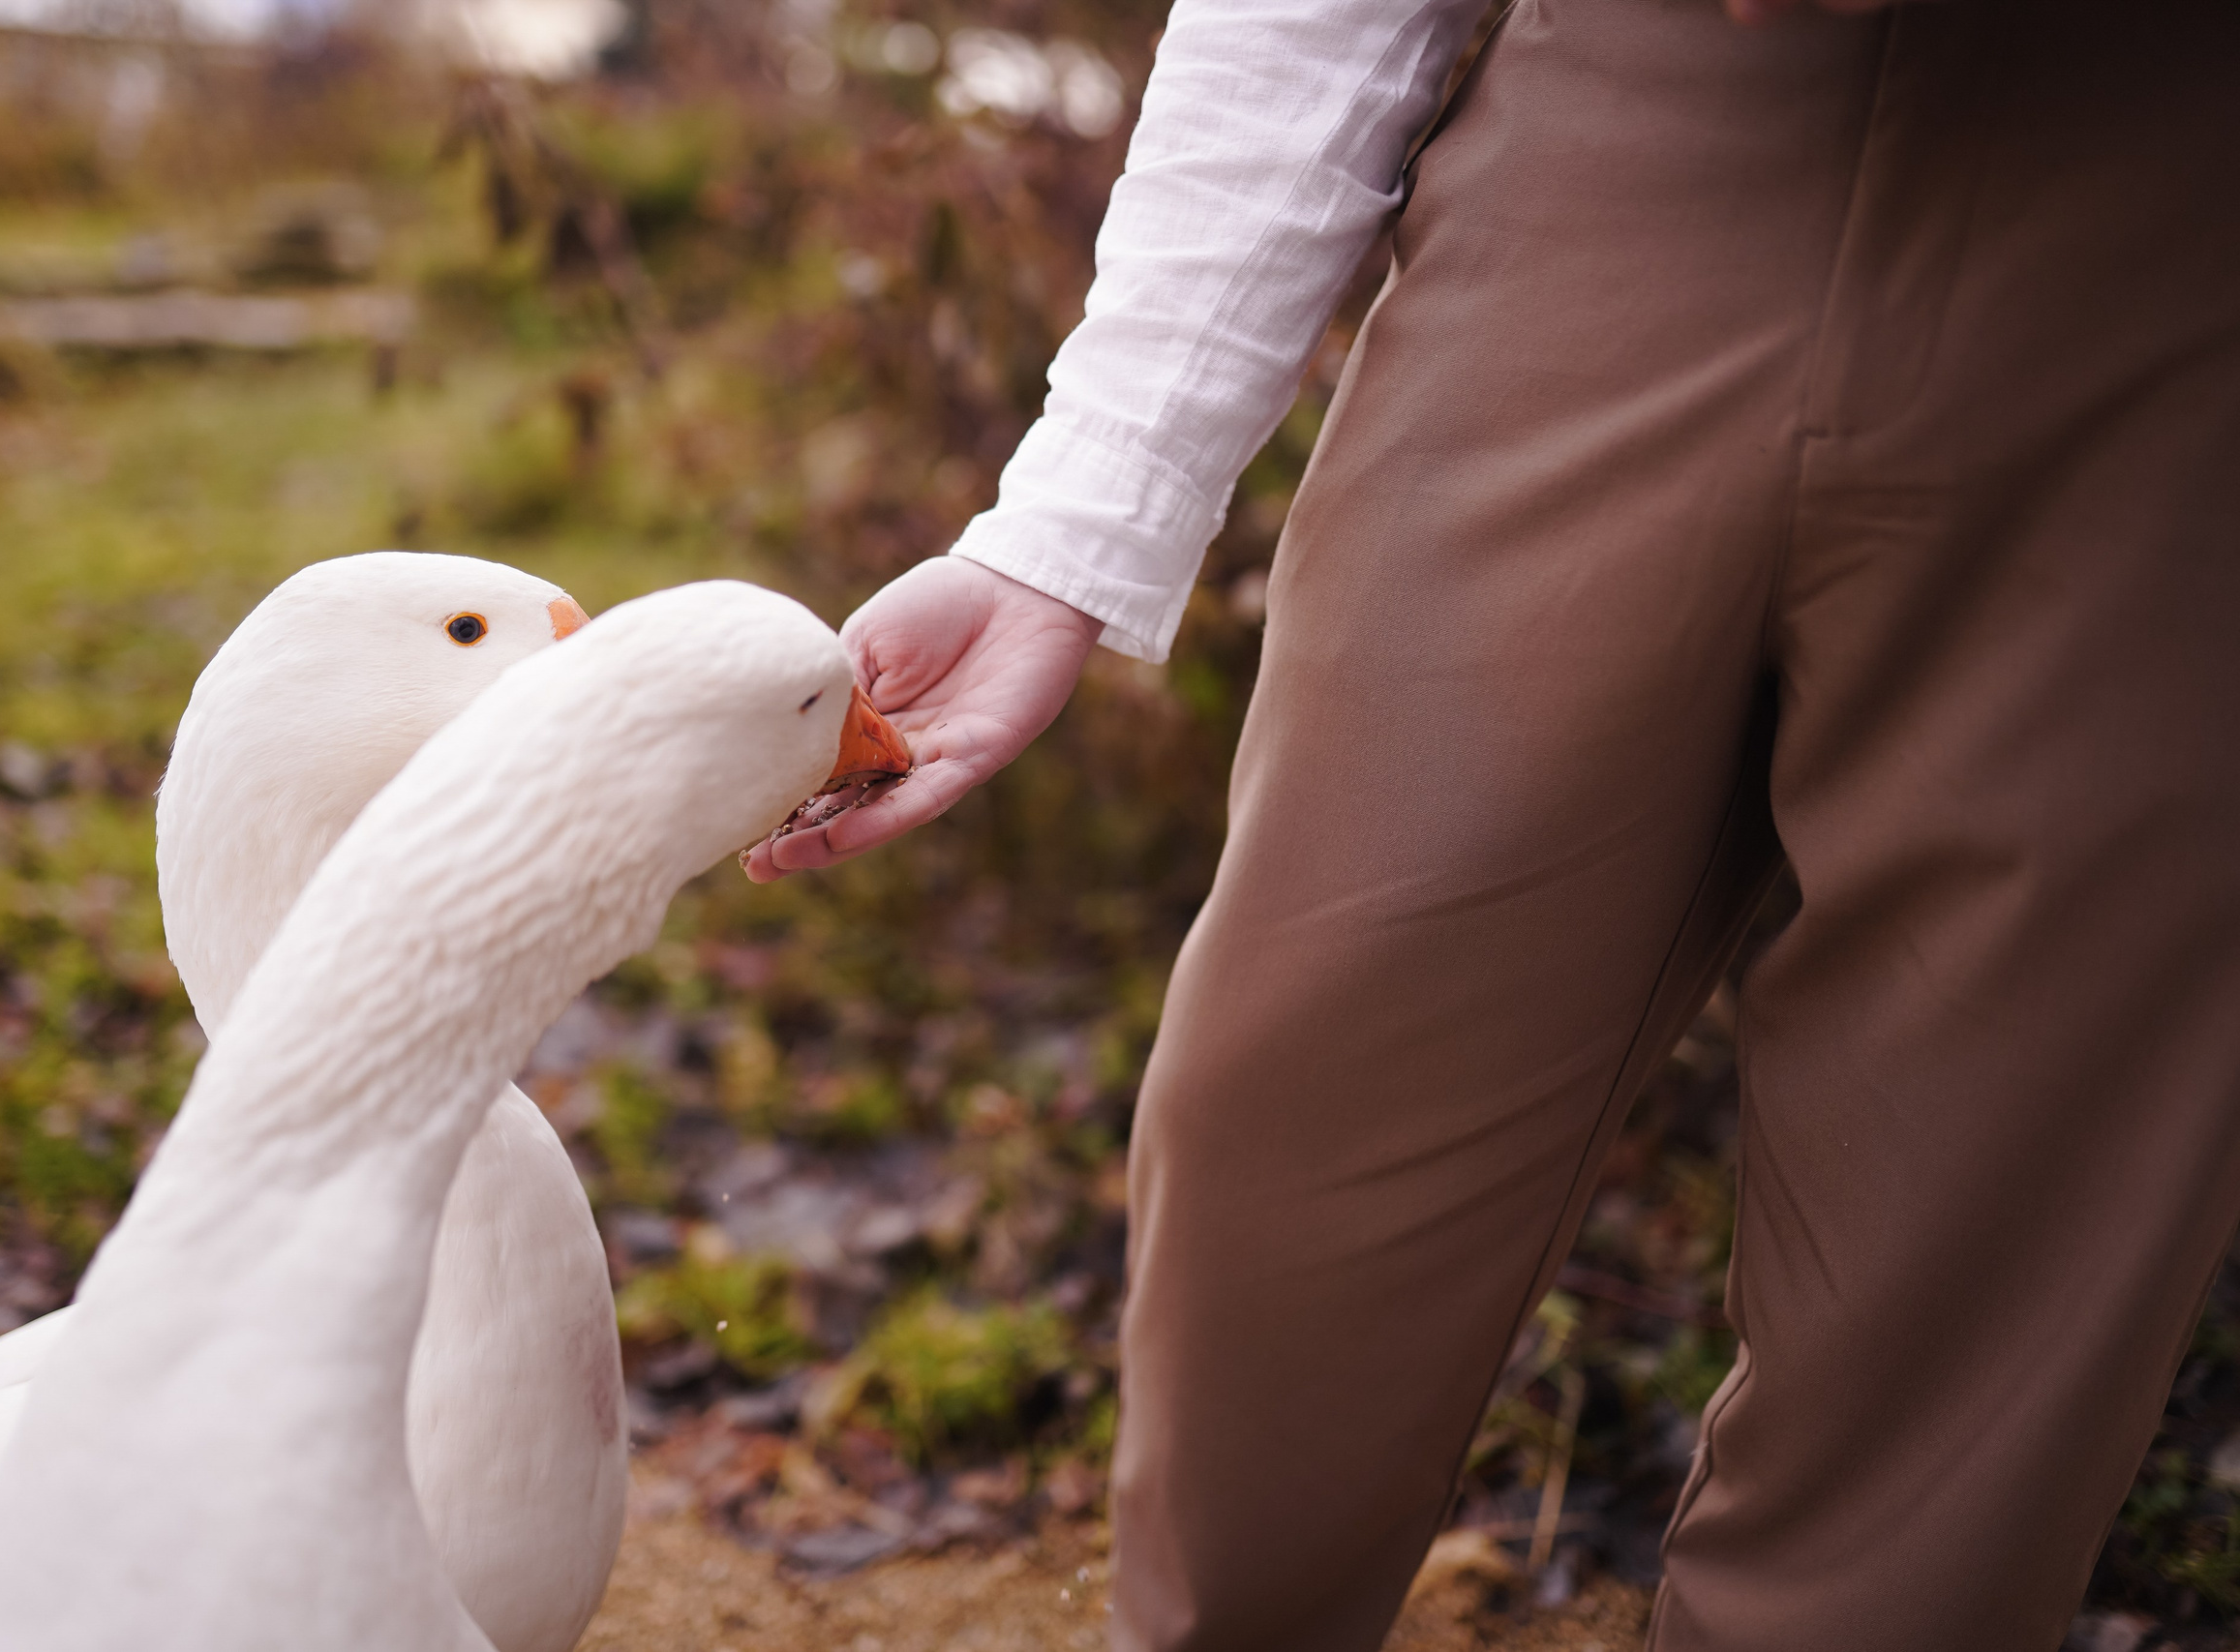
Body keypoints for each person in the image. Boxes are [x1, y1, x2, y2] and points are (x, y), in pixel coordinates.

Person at [744, 0, 2240, 1645]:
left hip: (2165, 264)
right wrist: (1073, 527)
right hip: (1622, 175)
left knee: (1988, 1235)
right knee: (1305, 1096)